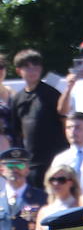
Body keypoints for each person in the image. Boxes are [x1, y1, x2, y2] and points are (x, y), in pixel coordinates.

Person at [10, 51, 64, 186]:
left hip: (55, 161)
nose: (32, 70)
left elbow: (64, 122)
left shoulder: (52, 94)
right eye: (27, 66)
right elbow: (17, 133)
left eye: (36, 66)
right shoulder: (17, 99)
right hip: (32, 163)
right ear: (18, 70)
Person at [0, 148, 46, 230]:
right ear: (2, 170)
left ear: (27, 169)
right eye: (10, 166)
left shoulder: (41, 198)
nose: (15, 169)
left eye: (20, 165)